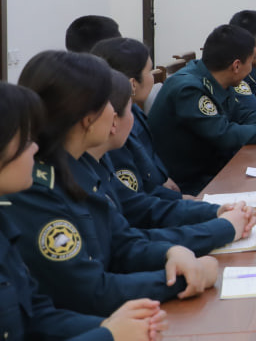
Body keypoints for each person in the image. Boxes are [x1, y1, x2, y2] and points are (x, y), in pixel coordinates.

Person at [9, 51, 219, 316]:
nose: (115, 112)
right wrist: (186, 278)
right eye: (108, 103)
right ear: (88, 119)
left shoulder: (81, 166)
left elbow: (121, 242)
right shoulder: (36, 189)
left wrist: (171, 252)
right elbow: (89, 293)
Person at [0, 80, 168, 341]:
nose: (34, 147)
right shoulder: (33, 196)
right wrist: (109, 334)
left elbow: (37, 317)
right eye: (24, 139)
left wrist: (108, 326)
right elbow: (88, 291)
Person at [85, 70, 251, 256]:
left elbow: (139, 207)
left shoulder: (97, 162)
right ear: (112, 121)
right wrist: (219, 230)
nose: (134, 118)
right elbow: (124, 247)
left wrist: (215, 212)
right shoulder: (78, 178)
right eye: (130, 109)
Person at [149, 25, 256, 194]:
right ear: (236, 66)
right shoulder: (189, 90)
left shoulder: (213, 75)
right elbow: (225, 134)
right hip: (191, 185)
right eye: (250, 62)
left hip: (215, 169)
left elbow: (242, 115)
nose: (251, 69)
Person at [90, 37, 183, 199]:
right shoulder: (113, 130)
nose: (152, 77)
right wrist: (179, 199)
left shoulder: (133, 109)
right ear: (133, 83)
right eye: (149, 71)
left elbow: (150, 157)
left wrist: (164, 180)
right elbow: (132, 198)